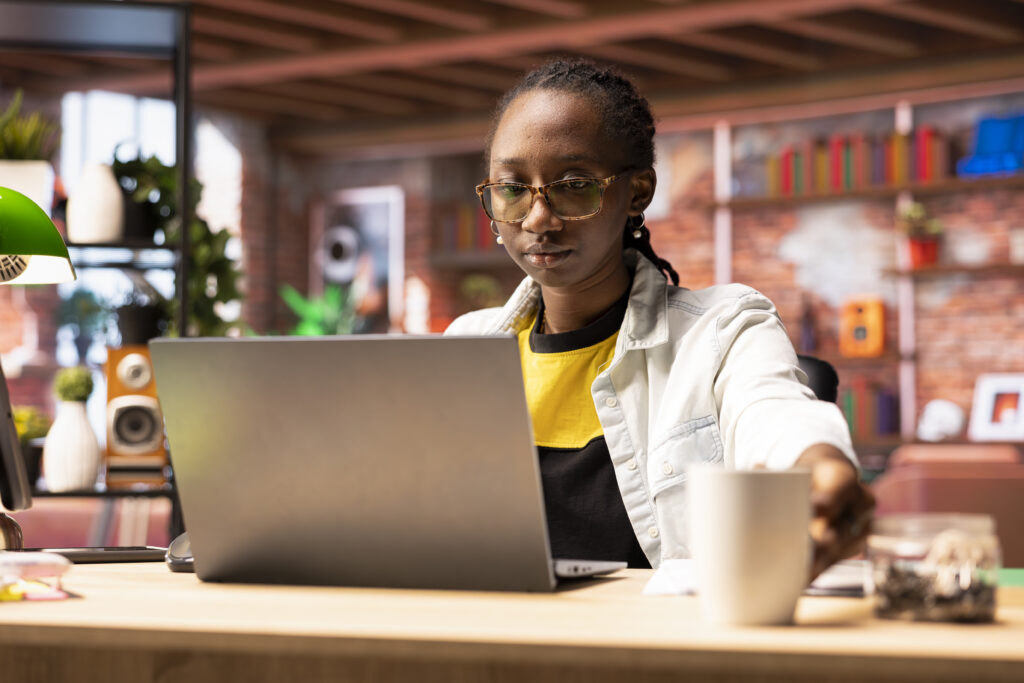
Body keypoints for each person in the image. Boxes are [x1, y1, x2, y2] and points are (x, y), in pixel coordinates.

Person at [446, 58, 874, 579]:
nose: (538, 218)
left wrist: (819, 465)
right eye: (513, 188)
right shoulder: (465, 345)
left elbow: (774, 412)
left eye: (574, 183)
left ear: (637, 192)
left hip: (659, 644)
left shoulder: (723, 329)